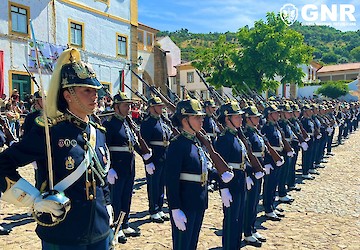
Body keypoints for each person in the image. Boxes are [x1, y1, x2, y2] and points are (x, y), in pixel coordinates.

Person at [0, 48, 113, 249]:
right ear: (68, 94)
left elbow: (100, 177)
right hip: (63, 232)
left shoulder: (99, 132)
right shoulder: (49, 133)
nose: (94, 96)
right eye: (86, 90)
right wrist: (33, 200)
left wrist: (108, 204)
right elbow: (3, 164)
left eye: (96, 90)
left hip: (100, 229)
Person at [103, 91, 152, 243]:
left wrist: (144, 155)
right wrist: (109, 167)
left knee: (127, 196)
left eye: (130, 105)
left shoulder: (127, 122)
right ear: (116, 106)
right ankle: (115, 228)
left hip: (129, 166)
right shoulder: (109, 124)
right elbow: (104, 148)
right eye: (126, 105)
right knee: (116, 198)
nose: (129, 108)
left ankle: (125, 224)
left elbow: (133, 143)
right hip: (116, 167)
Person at [165, 99, 208, 250]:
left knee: (192, 244)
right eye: (197, 117)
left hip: (198, 200)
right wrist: (175, 208)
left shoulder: (196, 141)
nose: (201, 120)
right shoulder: (177, 145)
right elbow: (171, 179)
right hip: (185, 203)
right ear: (185, 120)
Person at [214, 100, 247, 250]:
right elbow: (220, 165)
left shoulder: (236, 136)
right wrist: (223, 188)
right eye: (237, 117)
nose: (241, 119)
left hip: (240, 181)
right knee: (231, 220)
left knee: (238, 219)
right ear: (227, 119)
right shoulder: (224, 139)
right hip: (231, 184)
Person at [140, 96, 172, 223]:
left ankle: (159, 208)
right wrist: (147, 161)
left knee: (161, 184)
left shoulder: (162, 121)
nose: (161, 108)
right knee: (153, 184)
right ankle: (153, 210)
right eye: (159, 106)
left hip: (164, 156)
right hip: (154, 157)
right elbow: (144, 144)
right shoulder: (147, 123)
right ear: (152, 107)